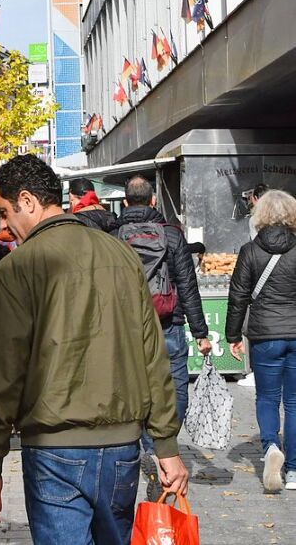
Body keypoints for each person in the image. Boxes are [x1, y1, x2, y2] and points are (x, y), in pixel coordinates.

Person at [0, 155, 186, 545]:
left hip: (55, 449)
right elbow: (152, 355)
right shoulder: (120, 255)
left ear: (28, 201)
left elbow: (2, 373)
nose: (4, 227)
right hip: (121, 446)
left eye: (5, 213)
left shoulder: (15, 269)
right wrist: (166, 444)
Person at [116, 175, 210, 495]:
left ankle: (151, 450)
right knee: (177, 387)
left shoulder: (113, 235)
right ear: (154, 200)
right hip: (168, 324)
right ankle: (163, 445)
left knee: (137, 388)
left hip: (128, 329)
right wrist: (200, 332)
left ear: (126, 202)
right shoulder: (172, 234)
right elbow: (187, 285)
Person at [226, 188, 296, 492]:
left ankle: (270, 447)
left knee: (267, 398)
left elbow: (238, 296)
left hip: (265, 335)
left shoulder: (249, 251)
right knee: (294, 402)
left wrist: (232, 335)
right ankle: (293, 470)